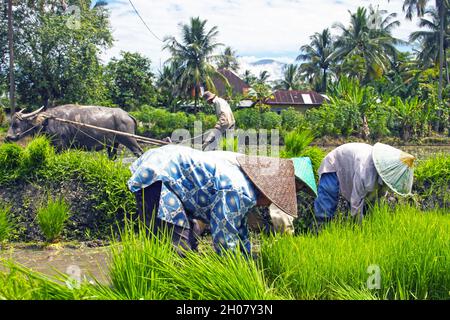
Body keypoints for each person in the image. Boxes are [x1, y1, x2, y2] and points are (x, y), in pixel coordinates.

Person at [127, 145, 298, 256]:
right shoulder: (239, 191)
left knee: (187, 235)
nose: (268, 205)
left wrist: (246, 255)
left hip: (163, 166)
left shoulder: (245, 187)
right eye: (271, 199)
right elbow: (223, 231)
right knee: (178, 245)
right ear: (265, 190)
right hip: (159, 176)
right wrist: (233, 266)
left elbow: (240, 228)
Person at [314, 142, 415, 228]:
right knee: (327, 202)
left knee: (367, 206)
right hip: (335, 163)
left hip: (353, 166)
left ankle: (352, 227)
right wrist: (360, 229)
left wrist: (375, 220)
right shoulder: (365, 171)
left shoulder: (386, 176)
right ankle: (319, 230)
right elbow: (356, 201)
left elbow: (379, 199)